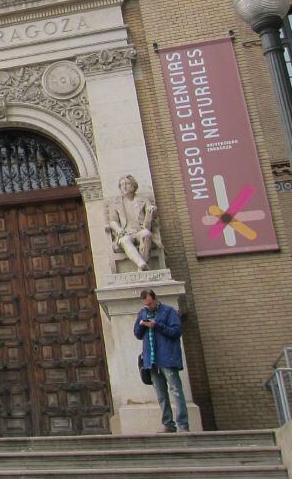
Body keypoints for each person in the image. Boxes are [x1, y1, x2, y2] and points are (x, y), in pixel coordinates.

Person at [134, 288, 190, 433]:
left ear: (155, 299)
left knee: (176, 391)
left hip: (167, 358)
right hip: (151, 361)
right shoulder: (142, 313)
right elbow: (137, 335)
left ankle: (183, 425)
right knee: (161, 395)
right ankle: (168, 424)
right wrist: (141, 325)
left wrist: (156, 325)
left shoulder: (169, 311)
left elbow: (176, 332)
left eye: (150, 303)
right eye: (146, 305)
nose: (148, 307)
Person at [107, 174, 157, 270]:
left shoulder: (143, 201)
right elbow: (113, 221)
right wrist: (118, 229)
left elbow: (149, 222)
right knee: (125, 240)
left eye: (127, 184)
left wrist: (150, 213)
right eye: (122, 185)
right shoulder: (115, 203)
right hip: (125, 233)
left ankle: (142, 267)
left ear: (133, 186)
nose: (124, 187)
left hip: (139, 231)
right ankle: (141, 264)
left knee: (146, 234)